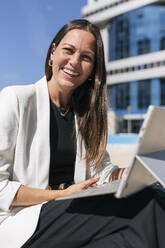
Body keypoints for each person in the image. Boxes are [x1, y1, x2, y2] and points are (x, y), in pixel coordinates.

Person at [0, 19, 165, 248]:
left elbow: (101, 172)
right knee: (149, 205)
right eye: (68, 50)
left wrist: (130, 173)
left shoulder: (86, 116)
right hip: (23, 220)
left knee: (152, 202)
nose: (75, 62)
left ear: (92, 70)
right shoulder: (15, 99)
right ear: (52, 54)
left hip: (71, 212)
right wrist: (63, 194)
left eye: (86, 57)